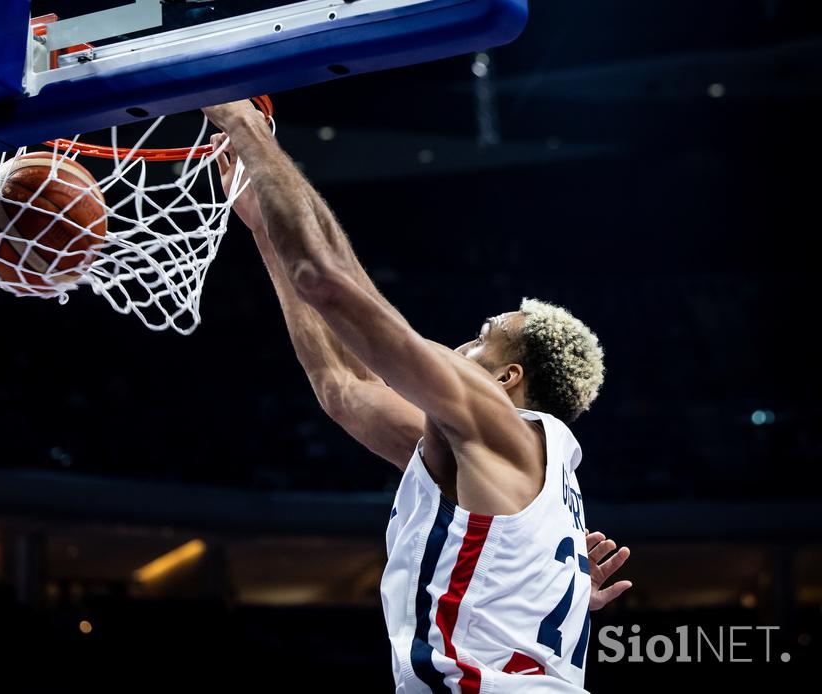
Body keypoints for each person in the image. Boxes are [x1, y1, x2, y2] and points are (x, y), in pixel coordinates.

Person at [203, 101, 632, 692]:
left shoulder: (496, 427)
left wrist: (245, 127)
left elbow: (328, 278)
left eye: (484, 338)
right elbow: (345, 388)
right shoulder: (498, 461)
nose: (463, 342)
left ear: (505, 379)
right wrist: (262, 228)